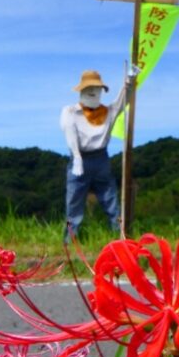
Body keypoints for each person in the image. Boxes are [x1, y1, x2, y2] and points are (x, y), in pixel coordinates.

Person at [59, 68, 137, 242]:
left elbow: (122, 101)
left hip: (101, 158)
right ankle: (69, 241)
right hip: (79, 159)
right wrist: (77, 157)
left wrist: (130, 82)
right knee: (74, 201)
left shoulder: (108, 111)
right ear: (81, 91)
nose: (93, 92)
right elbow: (69, 133)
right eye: (89, 89)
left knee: (110, 198)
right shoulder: (70, 112)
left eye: (96, 89)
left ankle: (120, 236)